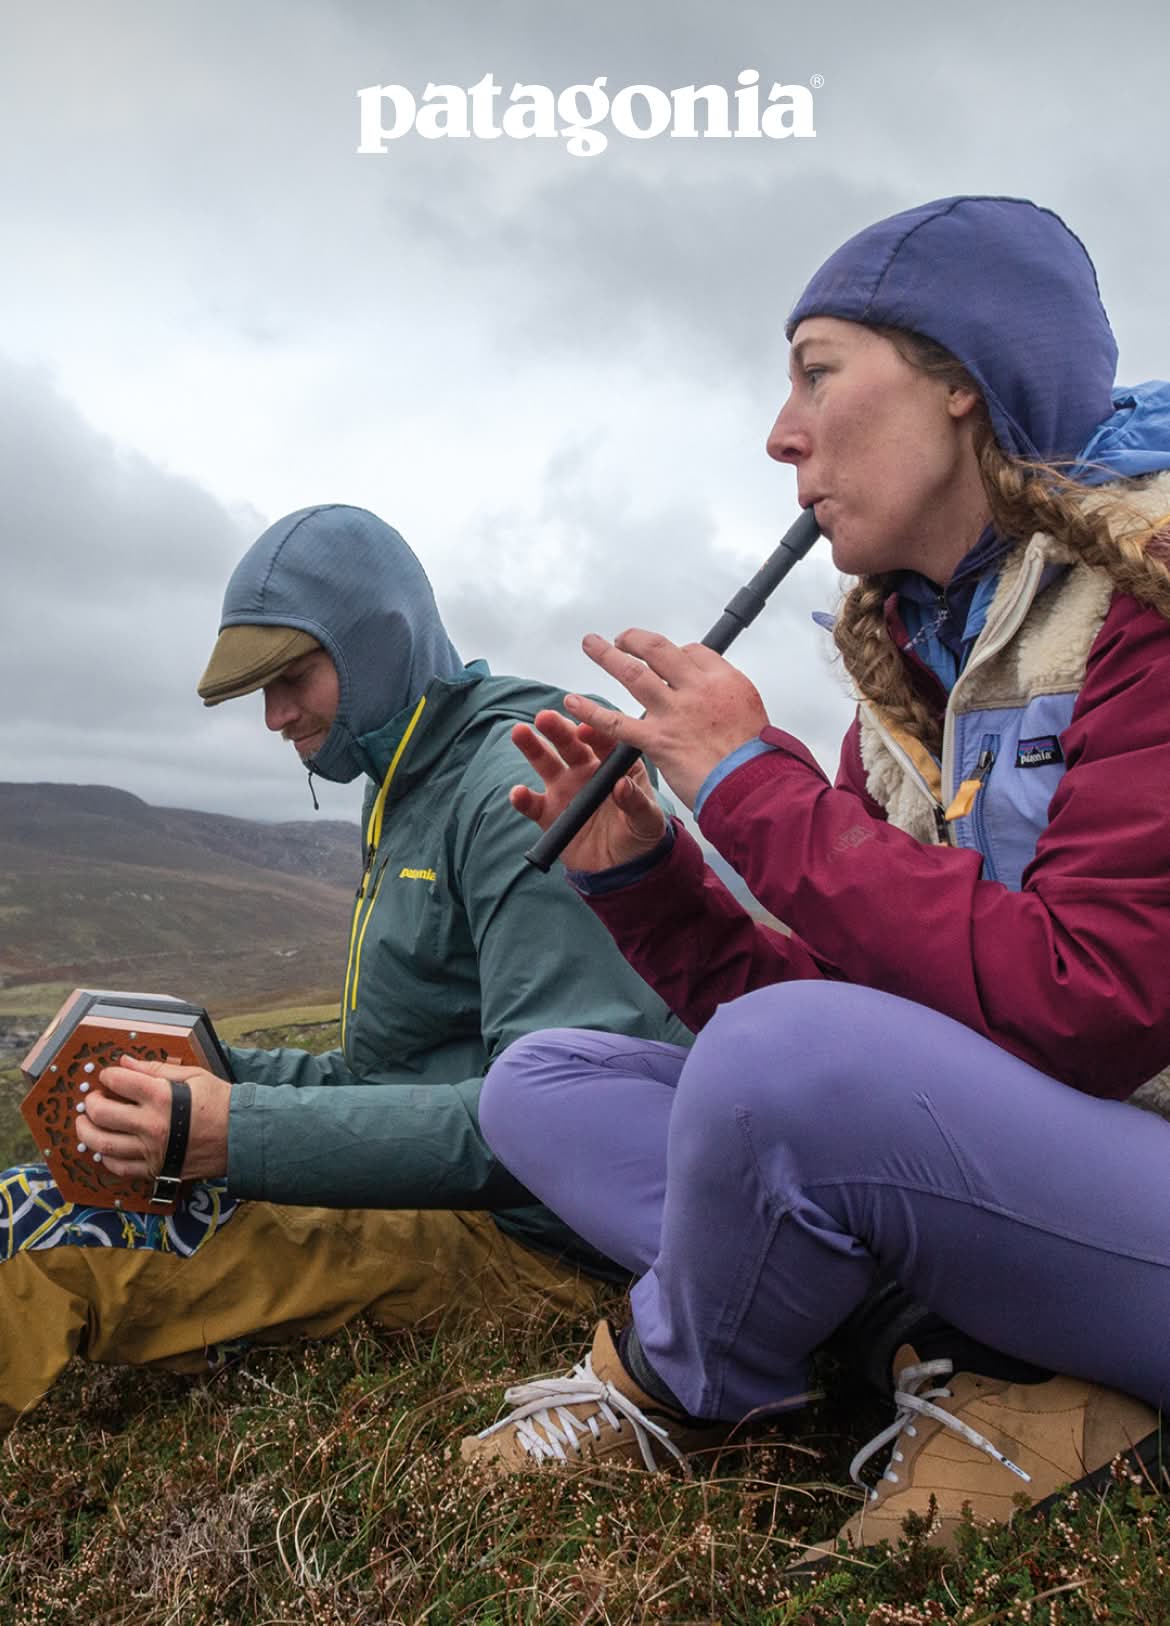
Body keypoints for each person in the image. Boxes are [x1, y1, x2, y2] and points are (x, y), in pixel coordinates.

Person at [460, 196, 1170, 1555]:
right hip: (1026, 1174)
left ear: (959, 378)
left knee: (786, 1069)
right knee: (539, 1082)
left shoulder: (1145, 599)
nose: (780, 432)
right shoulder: (905, 671)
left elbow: (1098, 998)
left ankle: (680, 1380)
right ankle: (971, 1355)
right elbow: (840, 1018)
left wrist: (751, 784)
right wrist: (652, 877)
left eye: (816, 370)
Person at [0, 504, 689, 1432]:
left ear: (376, 645)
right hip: (442, 1195)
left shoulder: (513, 789)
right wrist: (204, 1072)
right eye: (262, 691)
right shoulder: (408, 782)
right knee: (37, 1197)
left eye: (293, 680)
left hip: (541, 1244)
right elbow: (399, 1076)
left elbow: (568, 1125)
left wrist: (231, 1135)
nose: (276, 716)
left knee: (34, 1238)